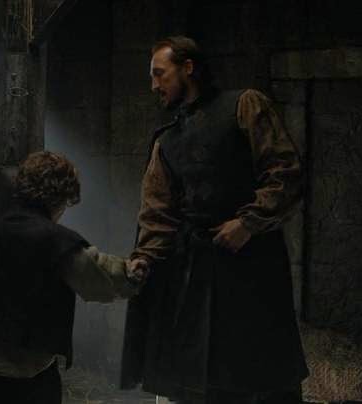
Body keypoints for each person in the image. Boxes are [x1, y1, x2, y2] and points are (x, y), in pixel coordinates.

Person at [120, 36, 309, 404]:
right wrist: (145, 257)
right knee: (201, 382)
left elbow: (285, 173)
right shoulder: (167, 141)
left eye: (160, 74)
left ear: (188, 68)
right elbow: (157, 213)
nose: (154, 85)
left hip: (251, 267)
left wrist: (248, 223)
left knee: (261, 378)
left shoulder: (244, 105)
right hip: (193, 274)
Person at [0, 151, 138, 404]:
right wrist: (133, 272)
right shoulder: (58, 243)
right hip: (29, 377)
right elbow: (100, 282)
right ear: (61, 199)